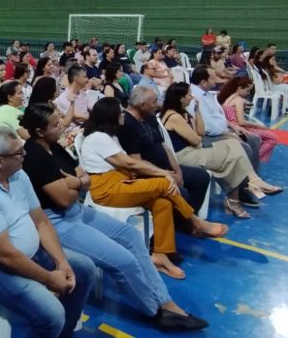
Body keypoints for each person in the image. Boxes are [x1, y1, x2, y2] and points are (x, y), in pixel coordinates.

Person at [19, 104, 209, 331]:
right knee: (123, 261)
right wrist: (79, 184)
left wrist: (77, 183)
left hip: (77, 213)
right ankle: (154, 311)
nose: (62, 125)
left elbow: (83, 177)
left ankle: (164, 300)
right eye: (55, 124)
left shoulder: (55, 147)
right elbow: (64, 199)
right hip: (58, 222)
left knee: (131, 236)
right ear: (39, 131)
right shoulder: (34, 157)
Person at [0, 127, 95, 337]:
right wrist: (49, 278)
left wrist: (61, 262)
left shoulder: (17, 174)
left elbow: (41, 222)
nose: (25, 156)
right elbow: (4, 255)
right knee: (52, 314)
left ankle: (63, 332)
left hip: (27, 253)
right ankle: (53, 327)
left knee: (83, 269)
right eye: (19, 153)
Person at [79, 98, 228, 279]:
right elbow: (128, 162)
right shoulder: (98, 138)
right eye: (120, 111)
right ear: (111, 115)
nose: (123, 114)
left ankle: (160, 254)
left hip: (122, 183)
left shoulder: (111, 136)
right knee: (163, 183)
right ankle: (195, 222)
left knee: (162, 202)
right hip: (107, 189)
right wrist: (162, 173)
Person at [161, 83, 280, 220]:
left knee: (234, 144)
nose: (192, 97)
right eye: (189, 95)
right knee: (233, 156)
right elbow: (197, 140)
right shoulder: (174, 117)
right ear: (181, 98)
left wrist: (197, 111)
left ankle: (250, 183)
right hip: (185, 155)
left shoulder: (183, 113)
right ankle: (237, 197)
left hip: (194, 150)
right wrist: (197, 133)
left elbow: (200, 131)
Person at [119, 87, 212, 213]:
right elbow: (136, 161)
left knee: (202, 177)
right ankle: (187, 221)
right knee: (181, 193)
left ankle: (188, 219)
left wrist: (177, 171)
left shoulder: (150, 117)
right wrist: (164, 173)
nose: (157, 105)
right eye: (154, 102)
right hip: (148, 173)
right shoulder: (127, 124)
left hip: (166, 169)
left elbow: (164, 146)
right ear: (142, 105)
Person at [190, 66, 267, 175]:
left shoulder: (207, 94)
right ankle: (242, 184)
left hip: (220, 131)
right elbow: (208, 127)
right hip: (207, 137)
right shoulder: (196, 97)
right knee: (245, 147)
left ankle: (253, 177)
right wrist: (227, 133)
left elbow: (219, 116)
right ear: (203, 82)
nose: (216, 79)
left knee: (254, 139)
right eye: (213, 78)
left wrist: (233, 126)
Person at [217, 77, 280, 163]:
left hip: (230, 127)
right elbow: (242, 122)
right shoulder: (238, 100)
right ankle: (255, 160)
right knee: (272, 138)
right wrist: (259, 126)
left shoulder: (228, 98)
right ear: (239, 88)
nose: (248, 93)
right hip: (239, 128)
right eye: (247, 91)